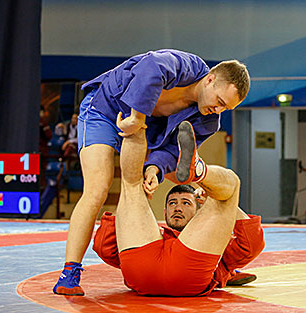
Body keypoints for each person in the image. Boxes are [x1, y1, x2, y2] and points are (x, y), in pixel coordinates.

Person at [53, 49, 251, 295]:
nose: (218, 110)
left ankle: (196, 174)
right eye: (219, 101)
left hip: (146, 130)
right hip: (105, 110)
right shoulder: (185, 66)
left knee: (175, 174)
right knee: (97, 189)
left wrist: (155, 169)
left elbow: (171, 152)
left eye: (226, 108)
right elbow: (151, 68)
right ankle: (70, 271)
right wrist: (136, 117)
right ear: (210, 79)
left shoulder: (208, 121)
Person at [88, 121, 265, 296]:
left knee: (130, 185)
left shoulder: (218, 245)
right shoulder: (157, 232)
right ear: (164, 212)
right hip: (177, 273)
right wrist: (136, 209)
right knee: (134, 186)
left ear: (198, 212)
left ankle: (136, 119)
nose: (178, 208)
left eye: (186, 203)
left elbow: (251, 245)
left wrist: (220, 203)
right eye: (172, 203)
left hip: (144, 275)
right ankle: (137, 121)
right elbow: (103, 246)